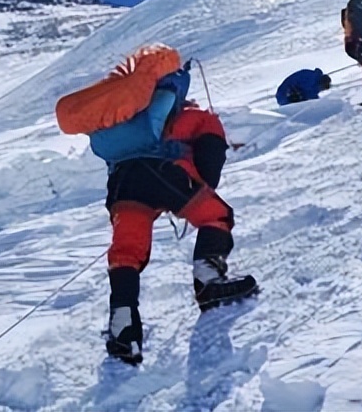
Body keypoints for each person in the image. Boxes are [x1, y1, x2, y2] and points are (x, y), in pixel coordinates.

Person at [57, 45, 257, 366]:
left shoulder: (123, 114)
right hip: (163, 173)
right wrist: (198, 189)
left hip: (122, 184)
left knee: (127, 251)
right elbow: (211, 154)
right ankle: (209, 282)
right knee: (216, 215)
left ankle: (124, 328)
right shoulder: (190, 114)